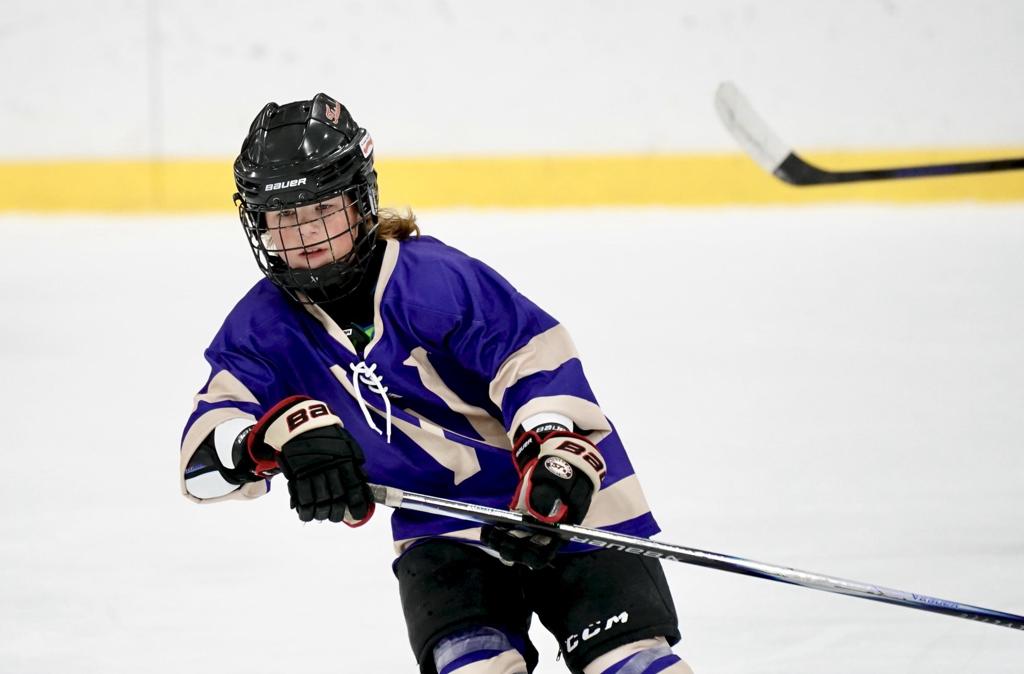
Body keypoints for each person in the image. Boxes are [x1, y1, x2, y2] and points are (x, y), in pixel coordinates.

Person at [180, 93, 693, 674]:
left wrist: (556, 454)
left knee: (629, 665)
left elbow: (532, 364)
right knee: (472, 666)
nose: (304, 234)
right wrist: (270, 440)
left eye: (321, 208)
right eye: (283, 216)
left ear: (358, 201)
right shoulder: (262, 326)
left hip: (566, 500)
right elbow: (202, 463)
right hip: (441, 527)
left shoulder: (435, 280)